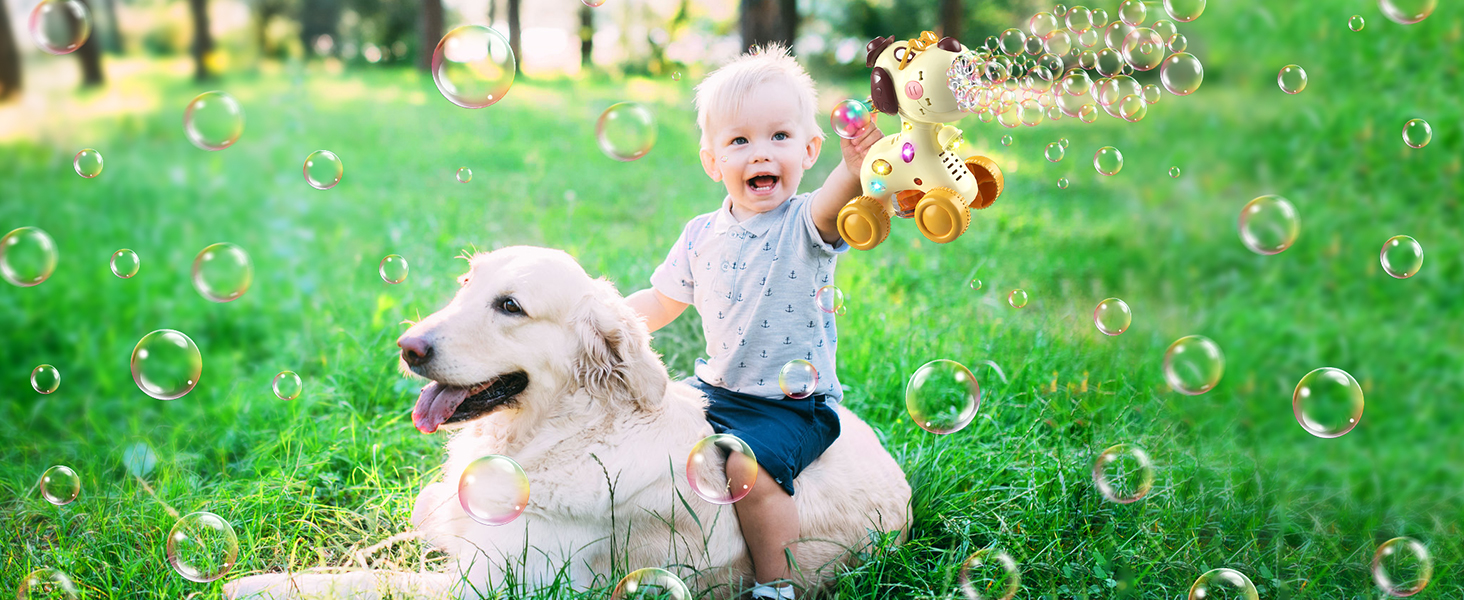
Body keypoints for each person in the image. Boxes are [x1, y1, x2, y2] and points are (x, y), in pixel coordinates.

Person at [625, 43, 881, 600]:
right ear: (712, 160)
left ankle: (776, 584)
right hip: (716, 388)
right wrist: (607, 323)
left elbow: (838, 197)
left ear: (810, 149)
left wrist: (855, 168)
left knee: (751, 473)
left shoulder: (805, 223)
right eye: (739, 140)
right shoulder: (699, 234)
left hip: (790, 404)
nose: (760, 153)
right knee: (651, 429)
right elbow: (662, 301)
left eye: (779, 137)